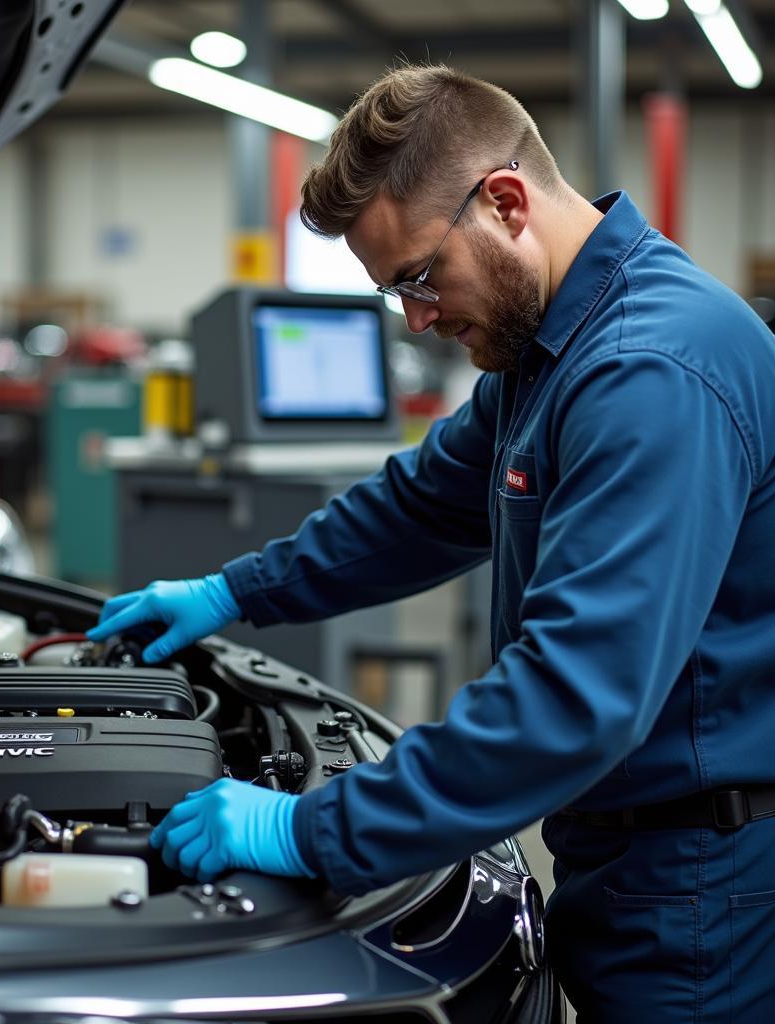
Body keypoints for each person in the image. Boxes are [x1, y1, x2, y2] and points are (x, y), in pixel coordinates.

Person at [87, 64, 775, 1021]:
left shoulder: (647, 372)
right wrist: (231, 591)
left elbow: (575, 697)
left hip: (701, 890)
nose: (417, 317)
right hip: (625, 856)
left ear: (503, 203)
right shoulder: (556, 349)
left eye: (418, 277)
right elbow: (418, 507)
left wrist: (309, 830)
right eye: (393, 292)